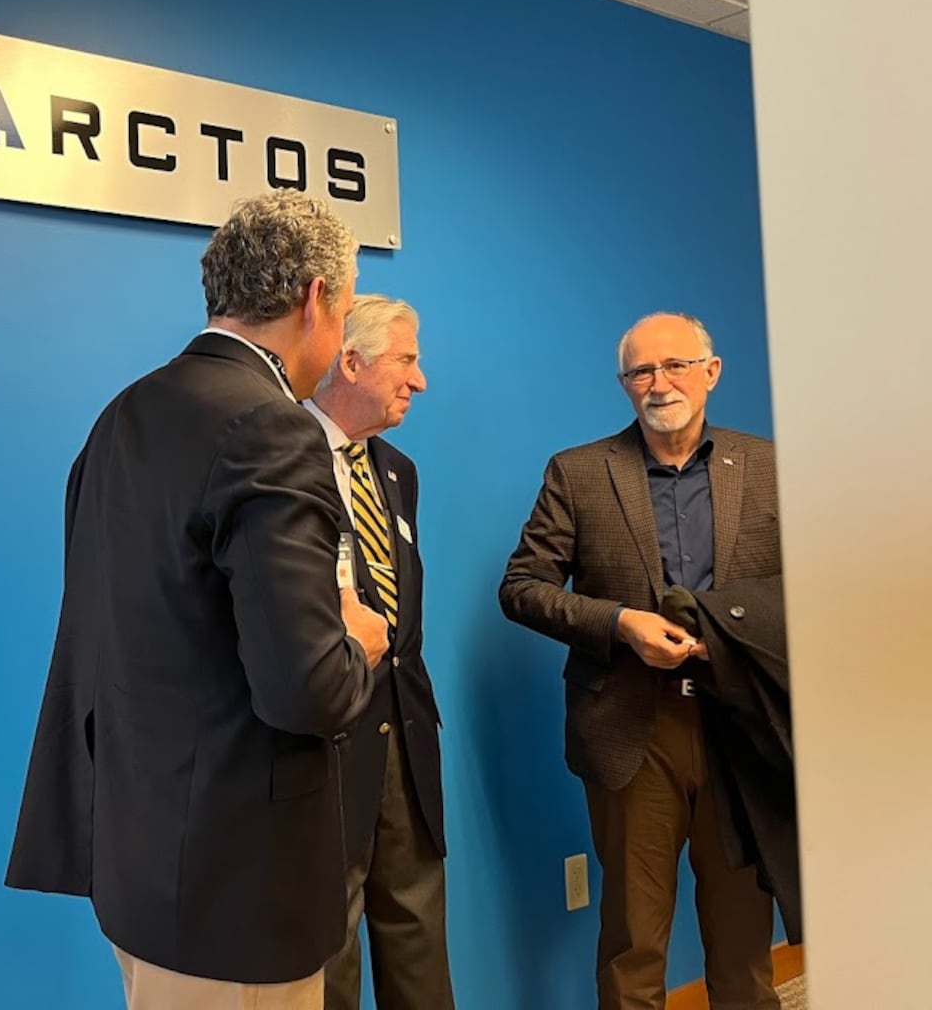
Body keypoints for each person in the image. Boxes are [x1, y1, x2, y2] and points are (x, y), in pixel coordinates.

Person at [7, 192, 389, 1010]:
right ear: (316, 297)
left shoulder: (124, 414)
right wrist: (359, 642)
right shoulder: (273, 428)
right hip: (238, 884)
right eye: (347, 307)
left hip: (137, 857)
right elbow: (307, 692)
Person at [499, 312, 783, 1010]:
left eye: (676, 366)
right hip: (632, 733)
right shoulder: (579, 472)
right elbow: (521, 588)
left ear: (711, 372)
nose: (660, 384)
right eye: (641, 372)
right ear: (624, 384)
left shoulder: (773, 466)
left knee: (746, 944)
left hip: (741, 730)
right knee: (633, 944)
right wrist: (620, 624)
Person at [304, 296, 452, 1010]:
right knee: (330, 953)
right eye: (407, 360)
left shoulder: (397, 469)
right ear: (351, 361)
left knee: (420, 936)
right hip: (325, 741)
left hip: (406, 733)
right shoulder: (282, 458)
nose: (419, 380)